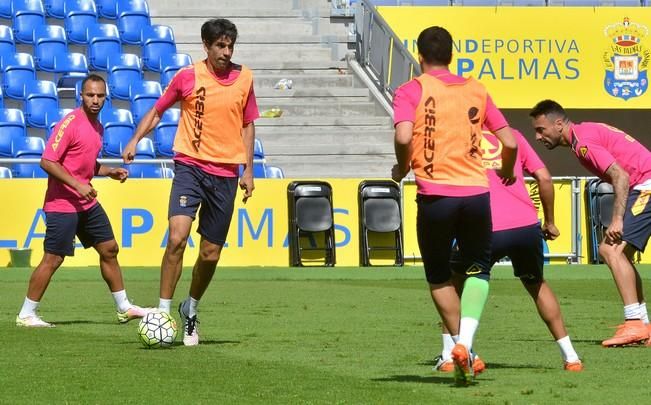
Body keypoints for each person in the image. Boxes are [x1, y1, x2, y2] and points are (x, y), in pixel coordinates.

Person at [392, 26, 518, 385]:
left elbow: (403, 136)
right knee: (479, 269)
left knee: (438, 275)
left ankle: (461, 348)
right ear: (452, 55)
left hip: (435, 195)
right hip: (476, 194)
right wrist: (507, 171)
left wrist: (403, 168)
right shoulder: (476, 89)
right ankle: (465, 344)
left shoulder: (411, 90)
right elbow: (509, 141)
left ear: (419, 56)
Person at [122, 18, 259, 346]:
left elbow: (248, 124)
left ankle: (190, 308)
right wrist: (134, 140)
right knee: (177, 237)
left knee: (210, 253)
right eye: (220, 46)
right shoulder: (187, 76)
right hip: (190, 168)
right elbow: (157, 111)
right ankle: (163, 312)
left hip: (226, 174)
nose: (226, 52)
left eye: (230, 46)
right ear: (206, 46)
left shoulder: (245, 79)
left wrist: (248, 170)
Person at [433, 127, 583, 373]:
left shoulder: (455, 137)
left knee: (453, 285)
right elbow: (544, 178)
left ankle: (450, 355)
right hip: (525, 225)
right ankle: (572, 357)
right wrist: (550, 221)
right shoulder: (514, 136)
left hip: (485, 226)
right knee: (537, 284)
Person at [16, 74, 150, 328]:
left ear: (106, 97)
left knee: (109, 248)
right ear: (81, 95)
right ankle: (26, 314)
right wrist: (77, 184)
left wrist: (108, 171)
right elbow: (47, 161)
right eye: (90, 95)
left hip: (85, 203)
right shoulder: (70, 123)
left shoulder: (98, 127)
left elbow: (84, 163)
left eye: (100, 95)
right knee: (53, 259)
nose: (95, 100)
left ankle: (124, 308)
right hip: (63, 204)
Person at [530, 99, 651, 347]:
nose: (537, 137)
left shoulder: (583, 143)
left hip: (646, 185)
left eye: (541, 129)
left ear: (559, 124)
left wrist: (616, 219)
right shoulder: (583, 136)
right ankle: (643, 325)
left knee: (609, 249)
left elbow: (621, 176)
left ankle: (634, 323)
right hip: (645, 184)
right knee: (621, 254)